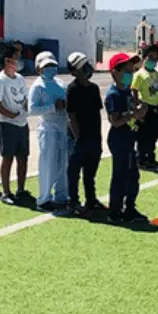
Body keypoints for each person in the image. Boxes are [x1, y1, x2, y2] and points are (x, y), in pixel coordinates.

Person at [105, 52, 148, 224]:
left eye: (132, 71)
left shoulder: (128, 92)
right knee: (120, 176)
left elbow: (134, 112)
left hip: (130, 137)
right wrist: (132, 115)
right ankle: (115, 211)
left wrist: (140, 110)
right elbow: (115, 121)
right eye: (126, 71)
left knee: (133, 176)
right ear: (115, 72)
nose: (130, 75)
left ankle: (129, 207)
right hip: (119, 139)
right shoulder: (113, 94)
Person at [28, 51, 71, 214]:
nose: (50, 69)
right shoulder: (38, 86)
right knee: (49, 164)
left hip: (63, 126)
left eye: (52, 65)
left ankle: (61, 195)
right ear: (38, 68)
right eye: (46, 66)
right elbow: (31, 109)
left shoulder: (60, 82)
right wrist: (53, 107)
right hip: (49, 127)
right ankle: (44, 198)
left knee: (63, 163)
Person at [65, 51, 107, 216]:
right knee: (74, 171)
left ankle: (91, 200)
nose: (87, 70)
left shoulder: (94, 89)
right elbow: (71, 116)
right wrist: (78, 138)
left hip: (94, 136)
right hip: (79, 138)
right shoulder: (72, 89)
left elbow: (97, 113)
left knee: (90, 172)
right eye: (83, 68)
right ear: (74, 72)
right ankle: (73, 201)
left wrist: (98, 136)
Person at [0, 44, 30, 205]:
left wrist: (27, 111)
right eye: (17, 57)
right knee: (8, 158)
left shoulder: (19, 79)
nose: (19, 61)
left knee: (23, 157)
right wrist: (12, 115)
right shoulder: (0, 81)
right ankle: (6, 192)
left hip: (22, 123)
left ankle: (21, 189)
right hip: (7, 124)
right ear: (7, 60)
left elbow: (25, 99)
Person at [132, 43, 158, 169]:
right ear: (144, 58)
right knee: (143, 134)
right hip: (146, 109)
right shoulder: (139, 75)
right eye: (150, 57)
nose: (153, 60)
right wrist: (137, 107)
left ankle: (150, 155)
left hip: (157, 108)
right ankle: (141, 158)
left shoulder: (157, 74)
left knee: (157, 130)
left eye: (155, 57)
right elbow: (134, 91)